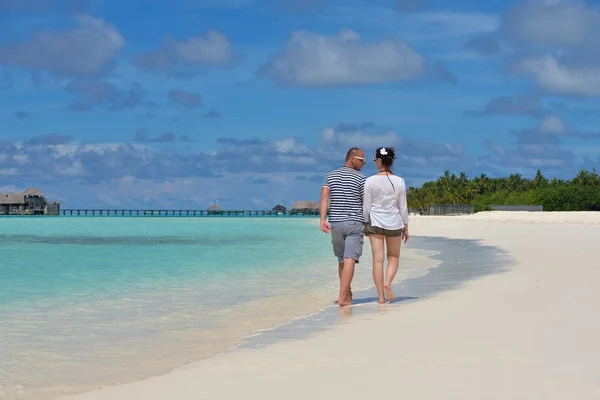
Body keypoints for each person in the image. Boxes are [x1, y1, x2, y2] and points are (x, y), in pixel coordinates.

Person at [320, 147, 367, 307]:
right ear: (352, 159)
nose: (364, 164)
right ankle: (342, 296)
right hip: (354, 223)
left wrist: (322, 219)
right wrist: (367, 222)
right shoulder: (361, 178)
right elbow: (364, 202)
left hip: (336, 223)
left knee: (342, 260)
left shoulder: (330, 176)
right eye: (362, 161)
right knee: (350, 259)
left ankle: (346, 294)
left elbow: (324, 197)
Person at [363, 146, 409, 304]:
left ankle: (381, 297)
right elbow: (402, 207)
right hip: (395, 223)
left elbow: (366, 207)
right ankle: (388, 282)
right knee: (394, 257)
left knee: (377, 260)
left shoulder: (369, 181)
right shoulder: (400, 181)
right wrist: (406, 226)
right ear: (391, 162)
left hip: (375, 222)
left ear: (379, 160)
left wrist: (365, 222)